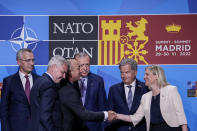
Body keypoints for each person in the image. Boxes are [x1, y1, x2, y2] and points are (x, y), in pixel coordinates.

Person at [116, 65, 188, 131]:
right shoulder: (145, 97)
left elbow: (180, 114)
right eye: (144, 74)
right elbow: (136, 118)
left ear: (156, 76)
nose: (144, 77)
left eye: (147, 74)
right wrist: (116, 115)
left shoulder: (171, 90)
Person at [58, 59, 116, 131]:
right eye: (78, 68)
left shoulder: (68, 86)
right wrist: (106, 115)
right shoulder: (68, 90)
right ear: (70, 72)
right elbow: (83, 114)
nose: (81, 70)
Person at [0, 48, 39, 131]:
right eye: (28, 60)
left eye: (33, 60)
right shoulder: (9, 81)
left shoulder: (39, 80)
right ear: (19, 62)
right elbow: (3, 110)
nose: (32, 63)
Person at [106, 58, 149, 131]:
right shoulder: (114, 89)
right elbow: (110, 113)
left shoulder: (146, 89)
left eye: (127, 72)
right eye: (121, 72)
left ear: (135, 72)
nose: (123, 76)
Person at [30, 55, 68, 131]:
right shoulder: (48, 85)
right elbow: (45, 115)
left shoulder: (39, 81)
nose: (64, 76)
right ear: (54, 67)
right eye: (62, 72)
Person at [74, 52, 107, 131]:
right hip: (73, 125)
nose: (85, 68)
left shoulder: (98, 81)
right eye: (81, 65)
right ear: (75, 65)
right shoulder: (69, 81)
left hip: (93, 126)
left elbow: (102, 107)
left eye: (87, 65)